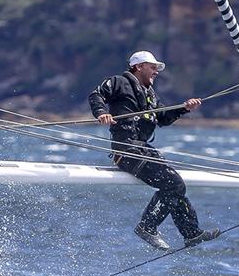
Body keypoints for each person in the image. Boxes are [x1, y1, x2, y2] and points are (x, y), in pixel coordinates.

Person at [88, 50, 220, 249]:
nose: (156, 72)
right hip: (127, 151)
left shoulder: (150, 94)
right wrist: (102, 113)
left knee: (176, 187)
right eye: (153, 67)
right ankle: (147, 226)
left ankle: (191, 233)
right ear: (138, 66)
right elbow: (96, 94)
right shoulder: (119, 82)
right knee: (174, 185)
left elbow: (164, 118)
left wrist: (185, 107)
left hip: (142, 149)